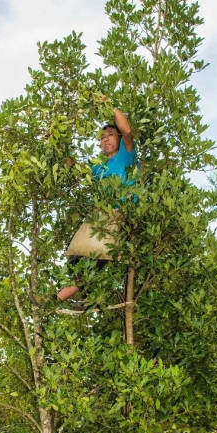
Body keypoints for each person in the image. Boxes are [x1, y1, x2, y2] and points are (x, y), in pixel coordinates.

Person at [57, 109, 136, 303]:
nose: (106, 140)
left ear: (117, 139)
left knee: (98, 256)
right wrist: (56, 145)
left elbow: (127, 131)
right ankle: (73, 296)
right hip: (99, 214)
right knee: (76, 255)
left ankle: (62, 296)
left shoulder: (125, 156)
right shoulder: (97, 167)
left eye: (110, 135)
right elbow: (74, 166)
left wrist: (109, 107)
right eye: (102, 138)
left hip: (119, 213)